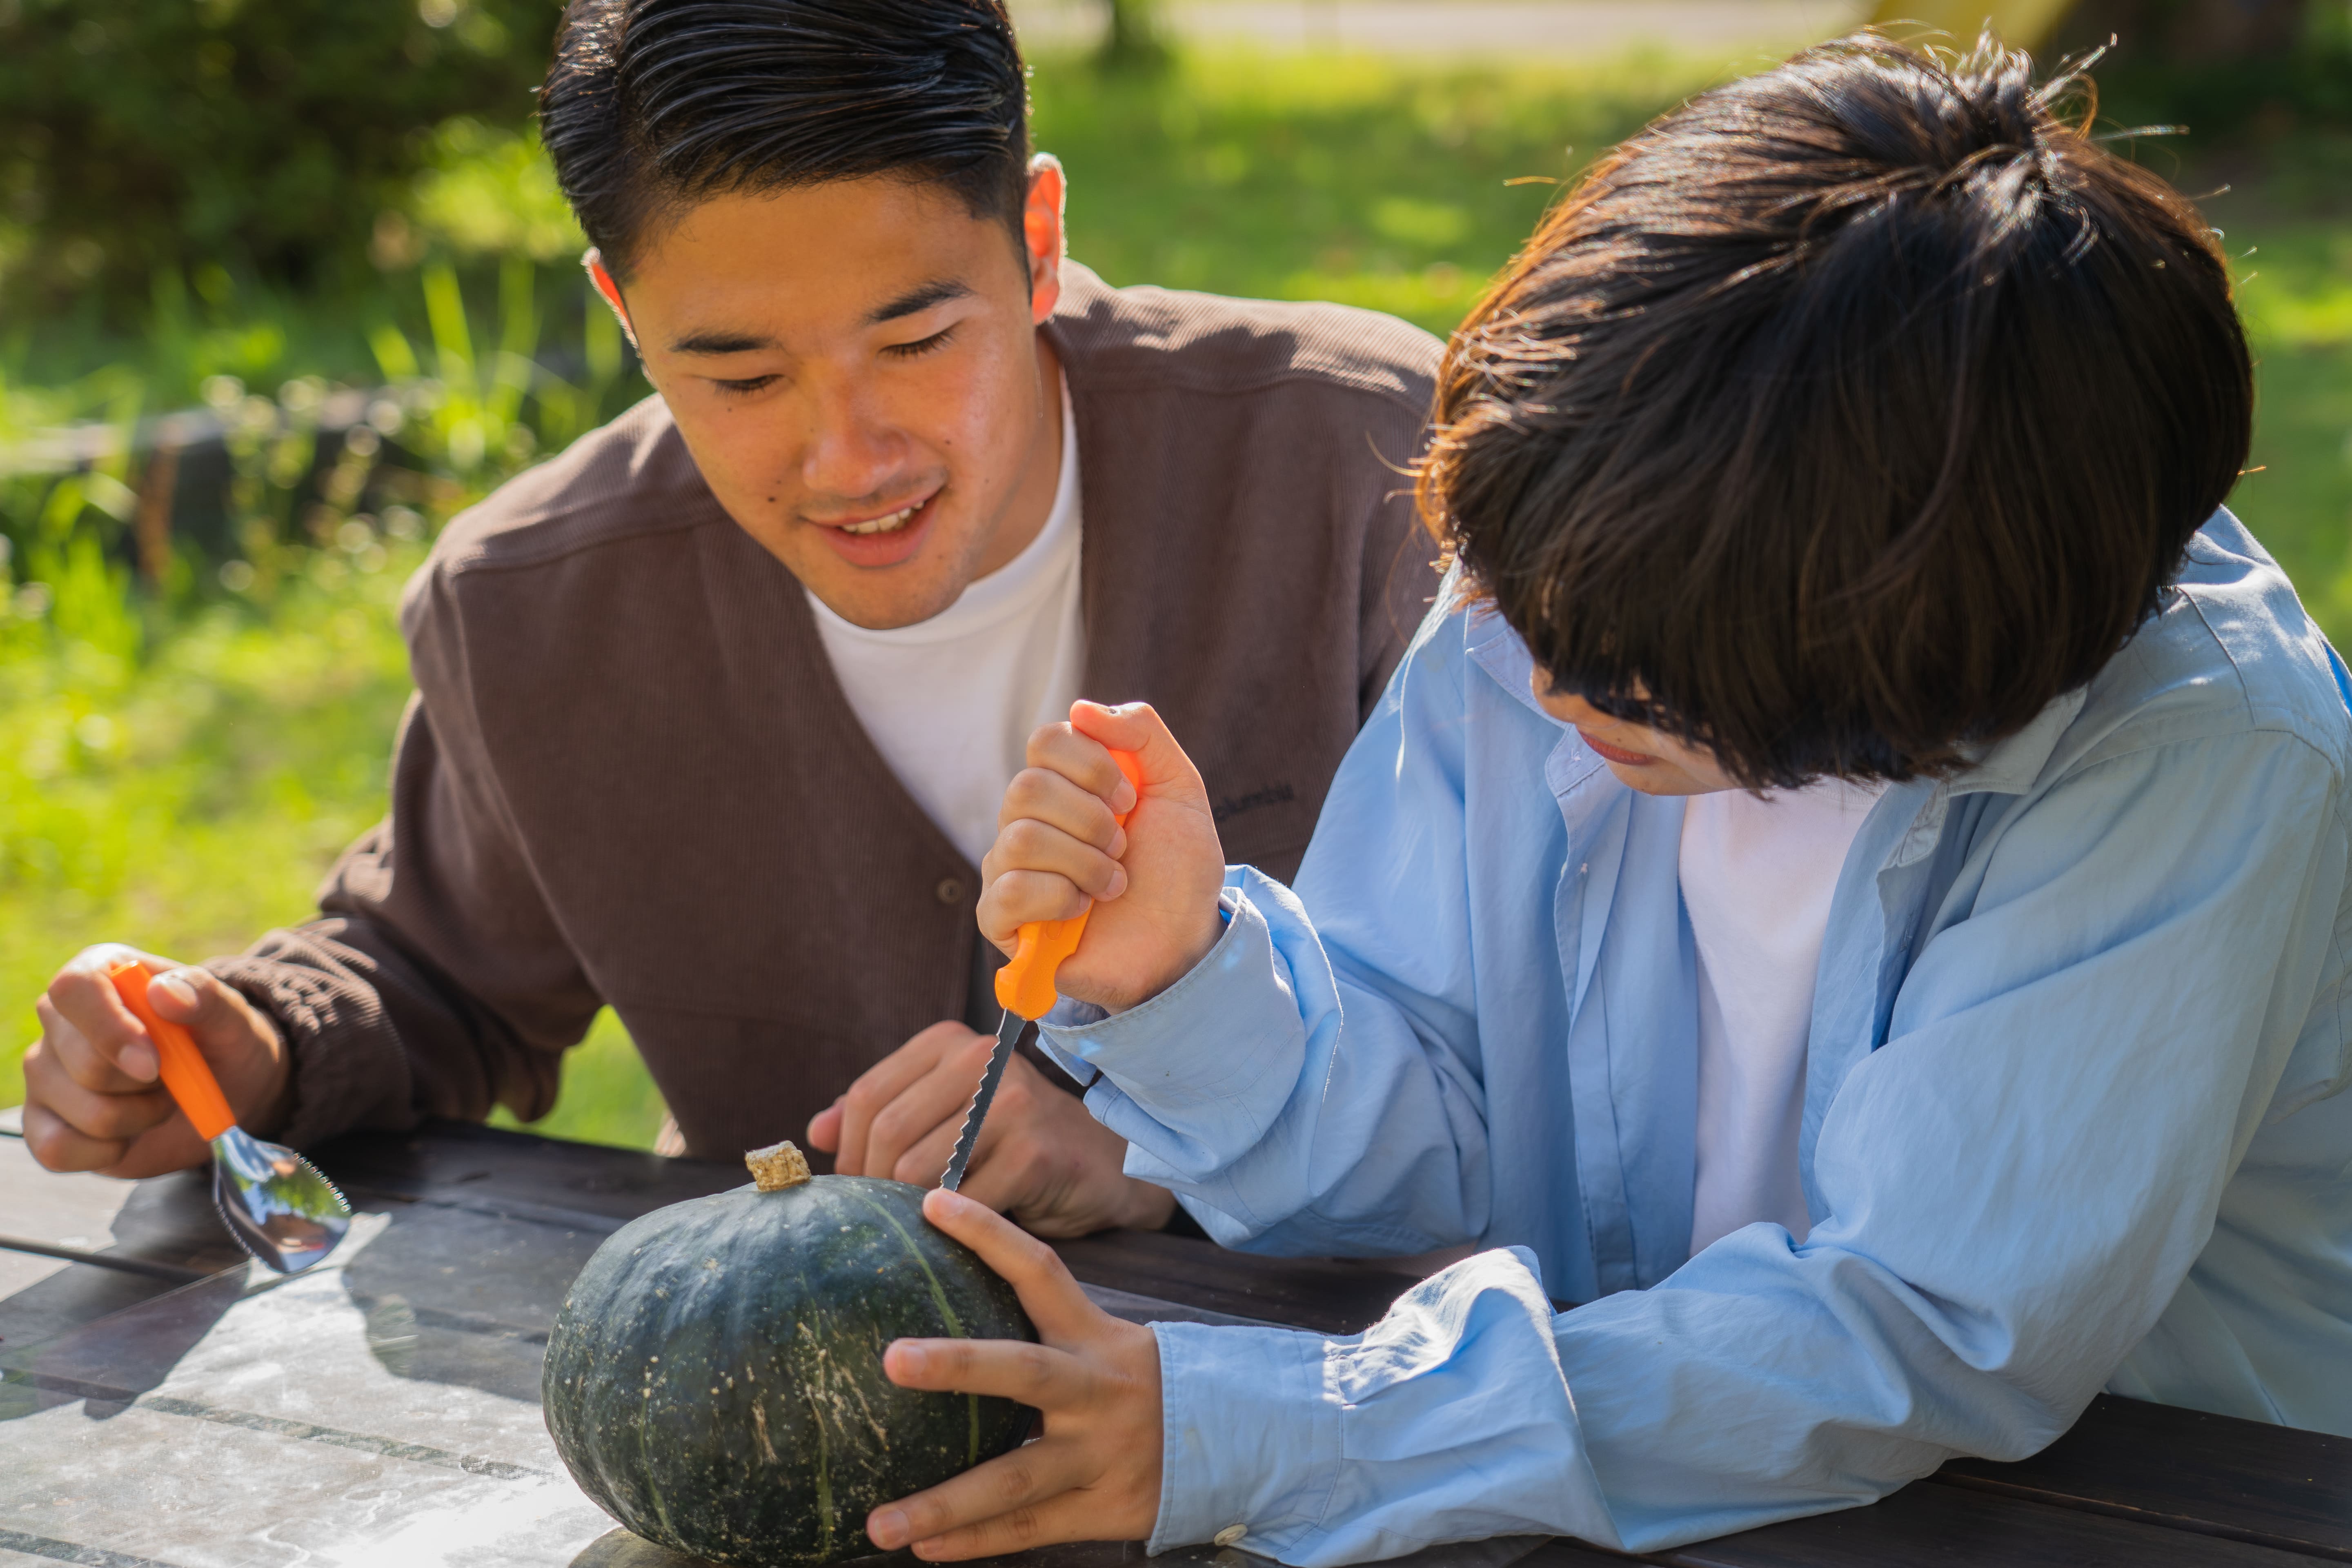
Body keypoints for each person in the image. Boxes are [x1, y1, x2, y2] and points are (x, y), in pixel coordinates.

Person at [841, 33, 2352, 1564]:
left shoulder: (2200, 757)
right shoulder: (1578, 577)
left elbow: (1916, 1332)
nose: (1539, 682)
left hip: (2148, 1510)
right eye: (1517, 602)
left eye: (1621, 671)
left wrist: (1292, 1421)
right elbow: (1451, 1120)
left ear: (1901, 658)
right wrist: (1182, 977)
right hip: (1651, 1494)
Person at [19, 0, 1442, 1237]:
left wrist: (1169, 1148)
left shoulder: (1372, 476)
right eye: (743, 378)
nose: (850, 460)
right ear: (624, 314)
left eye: (917, 341)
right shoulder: (534, 606)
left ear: (1037, 235)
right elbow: (432, 974)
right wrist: (244, 1044)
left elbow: (1542, 1057)